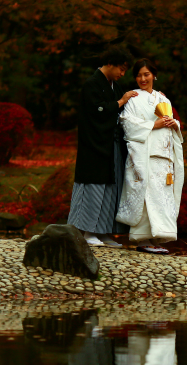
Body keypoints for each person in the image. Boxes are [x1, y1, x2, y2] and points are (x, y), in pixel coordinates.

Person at [68, 46, 138, 248]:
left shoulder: (114, 86)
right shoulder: (92, 84)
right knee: (94, 188)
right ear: (110, 63)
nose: (122, 74)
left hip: (111, 144)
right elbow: (97, 111)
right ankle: (87, 231)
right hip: (94, 145)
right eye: (121, 69)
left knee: (112, 188)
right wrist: (120, 102)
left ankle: (104, 232)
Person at [116, 58, 184, 254]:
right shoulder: (133, 98)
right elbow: (127, 124)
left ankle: (157, 237)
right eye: (139, 75)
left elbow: (172, 125)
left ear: (154, 75)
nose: (143, 79)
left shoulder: (164, 99)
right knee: (145, 195)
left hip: (163, 155)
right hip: (144, 154)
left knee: (162, 196)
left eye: (146, 74)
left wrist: (174, 124)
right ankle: (142, 239)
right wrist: (154, 125)